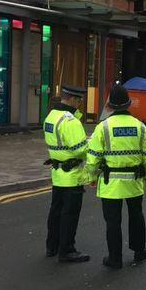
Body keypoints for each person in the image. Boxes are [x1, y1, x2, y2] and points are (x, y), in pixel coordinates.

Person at [85, 84, 146, 269]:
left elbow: (92, 158)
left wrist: (91, 177)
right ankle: (139, 251)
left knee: (113, 221)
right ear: (128, 104)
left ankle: (115, 258)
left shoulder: (103, 127)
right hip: (134, 180)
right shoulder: (140, 127)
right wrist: (144, 173)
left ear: (110, 105)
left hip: (110, 182)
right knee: (136, 215)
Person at [43, 85, 90, 263]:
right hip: (72, 174)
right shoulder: (70, 121)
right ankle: (67, 250)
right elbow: (80, 150)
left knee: (56, 211)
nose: (80, 104)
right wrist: (92, 146)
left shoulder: (51, 116)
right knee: (70, 213)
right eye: (79, 100)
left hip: (57, 171)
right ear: (72, 99)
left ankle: (51, 246)